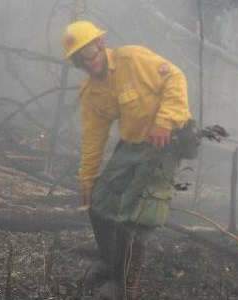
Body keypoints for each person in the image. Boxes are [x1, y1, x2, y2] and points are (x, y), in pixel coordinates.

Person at [62, 21, 192, 299]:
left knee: (132, 218)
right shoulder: (92, 92)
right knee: (97, 202)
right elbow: (93, 138)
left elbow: (176, 78)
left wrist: (165, 121)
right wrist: (86, 177)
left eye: (90, 54)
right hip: (133, 143)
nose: (88, 63)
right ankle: (111, 263)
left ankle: (124, 288)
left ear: (101, 44)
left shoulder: (133, 59)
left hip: (166, 141)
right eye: (80, 60)